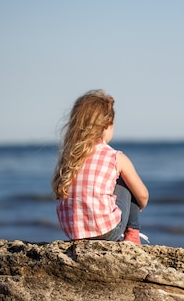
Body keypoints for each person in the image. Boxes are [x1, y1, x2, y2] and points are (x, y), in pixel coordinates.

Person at [51, 90, 149, 244]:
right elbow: (143, 195)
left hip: (73, 232)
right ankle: (132, 234)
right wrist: (135, 206)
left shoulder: (70, 157)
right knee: (126, 182)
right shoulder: (115, 157)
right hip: (107, 231)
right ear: (107, 124)